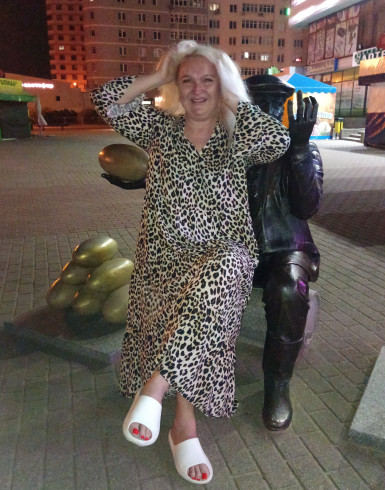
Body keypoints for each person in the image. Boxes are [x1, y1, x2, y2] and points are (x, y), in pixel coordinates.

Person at [91, 41, 290, 484]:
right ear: (177, 87)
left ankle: (156, 385)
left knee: (222, 271)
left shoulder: (237, 133)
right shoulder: (160, 129)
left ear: (222, 85)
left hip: (224, 251)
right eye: (188, 80)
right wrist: (160, 75)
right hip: (164, 256)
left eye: (208, 80)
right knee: (198, 307)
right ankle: (183, 425)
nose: (197, 90)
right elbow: (105, 99)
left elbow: (278, 140)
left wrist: (231, 98)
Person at [244, 75, 323, 431]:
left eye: (274, 105)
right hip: (238, 247)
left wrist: (300, 150)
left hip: (287, 249)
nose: (266, 113)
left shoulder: (301, 149)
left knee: (289, 289)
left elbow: (307, 206)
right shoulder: (231, 149)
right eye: (257, 104)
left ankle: (277, 382)